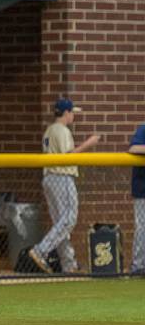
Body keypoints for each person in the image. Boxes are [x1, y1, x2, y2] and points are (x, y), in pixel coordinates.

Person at [28, 99, 100, 274]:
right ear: (66, 113)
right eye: (72, 112)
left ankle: (69, 264)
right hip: (61, 177)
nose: (73, 115)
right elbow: (68, 156)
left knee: (61, 223)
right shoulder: (61, 130)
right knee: (68, 219)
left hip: (49, 178)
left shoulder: (49, 130)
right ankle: (41, 250)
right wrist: (88, 144)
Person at [127, 127, 145, 275]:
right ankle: (138, 265)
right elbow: (134, 148)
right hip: (142, 189)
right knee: (142, 227)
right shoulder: (143, 129)